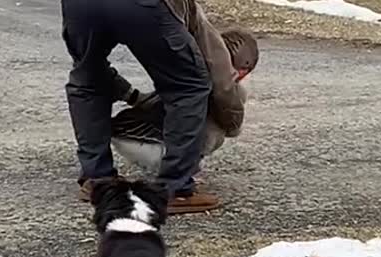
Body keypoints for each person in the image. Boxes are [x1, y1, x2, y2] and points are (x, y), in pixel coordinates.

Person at [61, 0, 245, 214]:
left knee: (87, 77)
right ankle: (175, 189)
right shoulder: (192, 12)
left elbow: (94, 74)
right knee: (188, 85)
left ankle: (97, 179)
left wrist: (134, 96)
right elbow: (219, 80)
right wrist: (233, 122)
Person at [108, 28, 259, 195]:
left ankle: (182, 168)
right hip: (143, 138)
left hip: (136, 128)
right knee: (209, 130)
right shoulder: (207, 84)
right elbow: (233, 127)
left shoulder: (197, 70)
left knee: (211, 129)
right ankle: (177, 181)